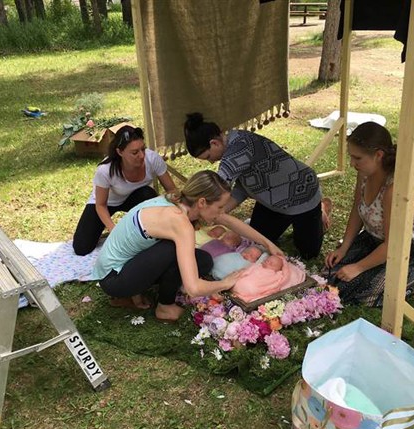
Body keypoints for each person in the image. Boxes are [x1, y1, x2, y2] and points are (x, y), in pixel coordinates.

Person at [92, 170, 283, 322]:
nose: (221, 212)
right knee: (176, 250)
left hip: (119, 267)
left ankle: (137, 292)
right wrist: (225, 283)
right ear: (202, 202)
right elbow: (193, 288)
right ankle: (164, 307)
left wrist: (267, 243)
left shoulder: (178, 201)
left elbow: (229, 221)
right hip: (113, 278)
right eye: (219, 207)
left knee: (203, 261)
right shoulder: (180, 222)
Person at [183, 112, 331, 260]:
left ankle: (320, 208)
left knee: (308, 253)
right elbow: (241, 189)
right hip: (273, 200)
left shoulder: (236, 153)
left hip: (302, 194)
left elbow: (214, 191)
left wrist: (202, 213)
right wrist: (217, 212)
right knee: (255, 240)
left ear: (214, 143)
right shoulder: (233, 139)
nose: (211, 162)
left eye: (208, 157)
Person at [323, 122, 414, 306]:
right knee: (330, 274)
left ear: (378, 155)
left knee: (356, 290)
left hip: (410, 250)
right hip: (375, 240)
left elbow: (394, 245)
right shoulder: (365, 173)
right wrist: (343, 248)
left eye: (357, 158)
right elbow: (357, 210)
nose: (352, 164)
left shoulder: (395, 190)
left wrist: (358, 267)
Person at [72, 125, 176, 256]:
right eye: (134, 152)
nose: (141, 155)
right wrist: (114, 230)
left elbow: (171, 190)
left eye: (142, 149)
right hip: (107, 203)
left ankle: (148, 230)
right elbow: (100, 205)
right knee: (81, 247)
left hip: (136, 198)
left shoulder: (152, 158)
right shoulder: (105, 170)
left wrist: (176, 210)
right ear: (120, 152)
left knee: (148, 194)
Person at [231, 255, 306, 302]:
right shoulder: (258, 266)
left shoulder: (276, 275)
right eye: (267, 261)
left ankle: (244, 290)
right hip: (244, 282)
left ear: (278, 269)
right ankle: (240, 287)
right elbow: (248, 271)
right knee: (243, 282)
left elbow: (277, 283)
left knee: (251, 287)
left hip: (254, 287)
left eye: (272, 264)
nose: (268, 263)